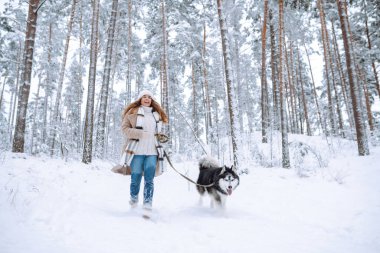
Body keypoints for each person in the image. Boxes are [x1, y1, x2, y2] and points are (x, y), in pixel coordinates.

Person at [121, 90, 168, 212]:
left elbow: (155, 133)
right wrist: (141, 134)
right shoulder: (132, 113)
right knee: (135, 178)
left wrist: (160, 136)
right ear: (140, 99)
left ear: (152, 100)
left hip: (152, 152)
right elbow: (125, 129)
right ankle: (134, 201)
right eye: (144, 97)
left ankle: (147, 204)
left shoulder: (156, 115)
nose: (147, 99)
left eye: (149, 97)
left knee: (149, 179)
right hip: (136, 151)